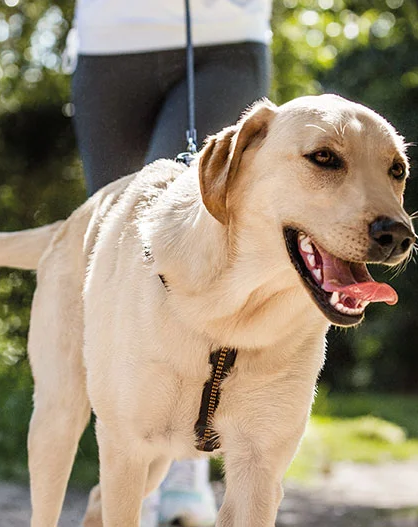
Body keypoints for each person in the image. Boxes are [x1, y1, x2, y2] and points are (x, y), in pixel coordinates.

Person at [65, 0, 272, 524]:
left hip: (224, 33)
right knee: (121, 260)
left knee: (201, 228)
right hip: (108, 44)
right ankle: (139, 454)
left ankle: (184, 465)